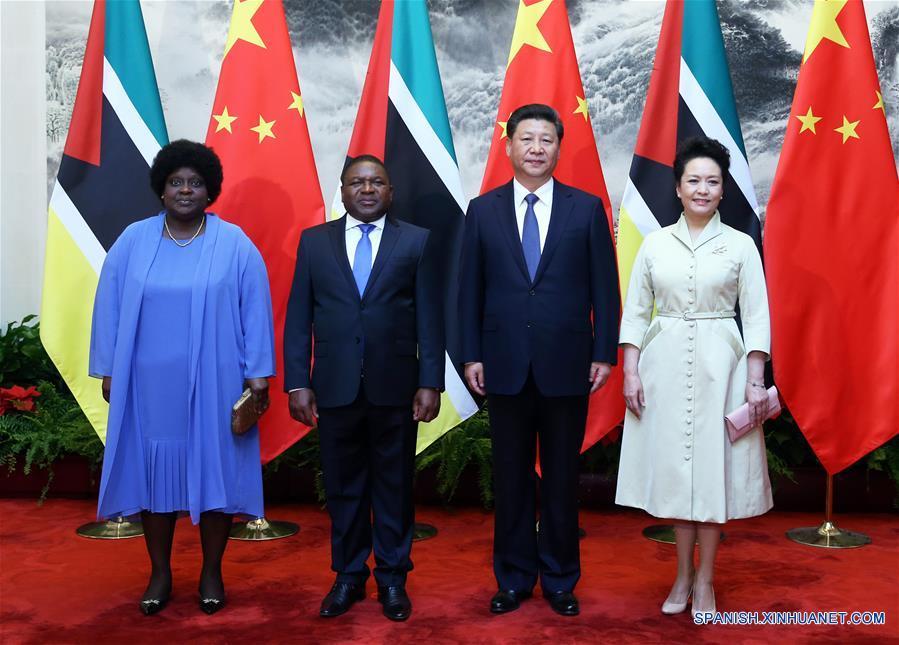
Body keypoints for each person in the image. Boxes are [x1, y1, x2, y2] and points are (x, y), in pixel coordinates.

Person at [89, 140, 275, 616]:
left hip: (217, 380)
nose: (185, 190)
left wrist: (258, 375)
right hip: (150, 385)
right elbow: (108, 306)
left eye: (195, 182)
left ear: (209, 189)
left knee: (213, 471)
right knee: (155, 477)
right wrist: (109, 369)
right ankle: (160, 572)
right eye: (176, 182)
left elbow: (255, 310)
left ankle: (211, 571)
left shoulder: (234, 243)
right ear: (162, 188)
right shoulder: (133, 240)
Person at [459, 104, 620, 616]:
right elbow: (467, 293)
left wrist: (603, 352)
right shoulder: (481, 211)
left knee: (560, 480)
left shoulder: (587, 208)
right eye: (525, 139)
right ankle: (512, 578)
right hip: (502, 364)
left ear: (557, 147)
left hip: (568, 365)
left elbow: (605, 289)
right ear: (507, 147)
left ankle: (559, 579)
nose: (535, 148)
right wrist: (469, 356)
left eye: (545, 140)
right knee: (509, 479)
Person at [615, 136, 773, 618]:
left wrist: (753, 378)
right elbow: (637, 312)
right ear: (678, 188)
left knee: (711, 478)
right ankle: (681, 575)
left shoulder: (741, 244)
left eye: (712, 182)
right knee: (679, 478)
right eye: (694, 181)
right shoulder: (656, 243)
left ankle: (706, 582)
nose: (703, 189)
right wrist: (630, 370)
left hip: (722, 367)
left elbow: (758, 314)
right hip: (662, 367)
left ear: (723, 190)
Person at [284, 155, 443, 622]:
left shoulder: (416, 241)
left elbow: (430, 319)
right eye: (358, 182)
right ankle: (349, 576)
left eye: (377, 182)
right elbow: (298, 319)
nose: (368, 189)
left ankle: (393, 578)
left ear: (390, 192)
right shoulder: (315, 243)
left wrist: (430, 381)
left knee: (393, 488)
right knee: (344, 488)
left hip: (395, 388)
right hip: (333, 388)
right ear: (344, 190)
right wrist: (298, 382)